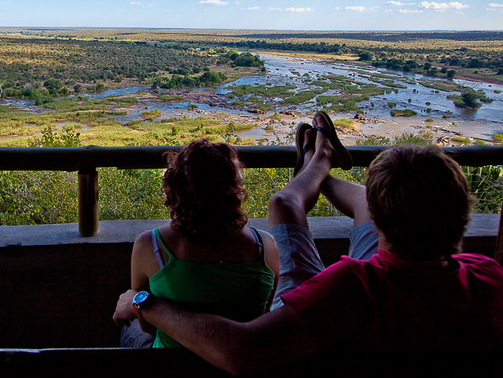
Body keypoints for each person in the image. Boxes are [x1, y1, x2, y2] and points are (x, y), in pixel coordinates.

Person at [114, 112, 503, 375]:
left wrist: (146, 303)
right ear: (463, 211)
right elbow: (374, 206)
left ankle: (315, 167)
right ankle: (316, 166)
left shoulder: (353, 285)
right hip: (417, 270)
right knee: (287, 203)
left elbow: (240, 351)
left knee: (284, 203)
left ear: (382, 219)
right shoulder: (490, 276)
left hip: (356, 306)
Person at [113, 139, 279, 349]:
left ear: (176, 189)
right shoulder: (266, 246)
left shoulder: (151, 245)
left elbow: (148, 324)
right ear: (235, 190)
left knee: (130, 321)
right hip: (240, 360)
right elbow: (266, 315)